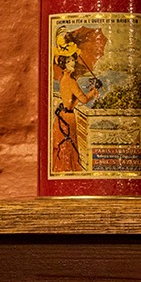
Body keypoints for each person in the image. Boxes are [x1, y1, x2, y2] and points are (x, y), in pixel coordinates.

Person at [50, 27, 108, 174]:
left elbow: (72, 101)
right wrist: (93, 91)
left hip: (62, 116)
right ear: (63, 63)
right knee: (69, 146)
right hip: (68, 119)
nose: (73, 63)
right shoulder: (71, 81)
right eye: (69, 61)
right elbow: (83, 100)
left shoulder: (63, 79)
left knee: (65, 146)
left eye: (73, 60)